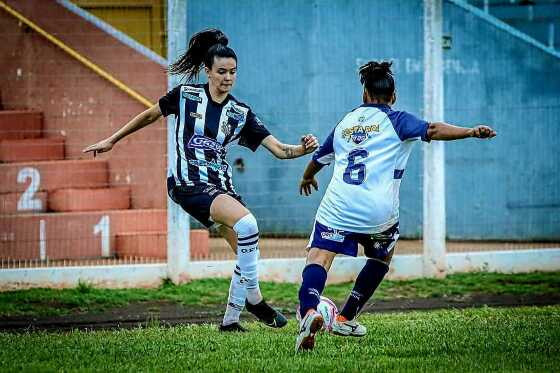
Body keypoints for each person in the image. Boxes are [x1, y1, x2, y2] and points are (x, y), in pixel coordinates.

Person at [83, 28, 319, 332]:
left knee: (247, 251)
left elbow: (280, 150)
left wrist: (304, 148)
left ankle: (230, 322)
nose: (228, 77)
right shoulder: (185, 96)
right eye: (221, 71)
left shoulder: (239, 112)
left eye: (233, 72)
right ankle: (256, 300)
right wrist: (112, 140)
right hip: (187, 183)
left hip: (221, 188)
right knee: (248, 225)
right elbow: (149, 115)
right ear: (207, 71)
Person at [294, 61, 496, 352]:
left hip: (339, 207)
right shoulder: (398, 120)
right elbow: (434, 129)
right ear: (394, 96)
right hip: (378, 213)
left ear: (364, 94)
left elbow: (320, 157)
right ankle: (345, 316)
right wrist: (470, 131)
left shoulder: (347, 121)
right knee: (382, 257)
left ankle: (311, 312)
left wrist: (306, 177)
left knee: (319, 257)